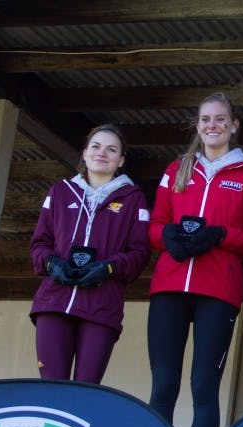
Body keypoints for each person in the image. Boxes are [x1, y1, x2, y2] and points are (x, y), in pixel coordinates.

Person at [147, 92, 243, 427]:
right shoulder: (176, 170)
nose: (212, 125)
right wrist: (167, 236)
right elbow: (154, 225)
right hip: (169, 286)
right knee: (163, 385)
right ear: (197, 126)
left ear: (233, 126)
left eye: (220, 119)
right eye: (205, 119)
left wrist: (220, 235)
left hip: (218, 291)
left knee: (204, 386)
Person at [30, 124, 150, 384]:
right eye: (96, 146)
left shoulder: (133, 199)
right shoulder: (60, 192)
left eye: (111, 149)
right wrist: (52, 264)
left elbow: (140, 254)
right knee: (51, 387)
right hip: (54, 302)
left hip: (101, 307)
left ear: (121, 160)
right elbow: (39, 244)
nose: (102, 153)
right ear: (84, 153)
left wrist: (108, 268)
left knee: (86, 391)